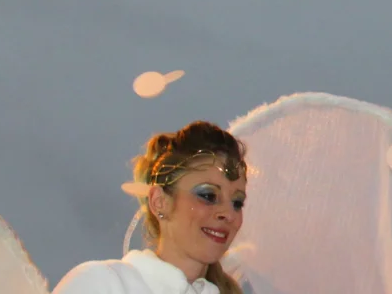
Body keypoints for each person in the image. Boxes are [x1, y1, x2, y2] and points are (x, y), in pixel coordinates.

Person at [53, 121, 251, 294]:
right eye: (208, 196)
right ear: (159, 201)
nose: (228, 214)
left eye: (237, 203)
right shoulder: (104, 285)